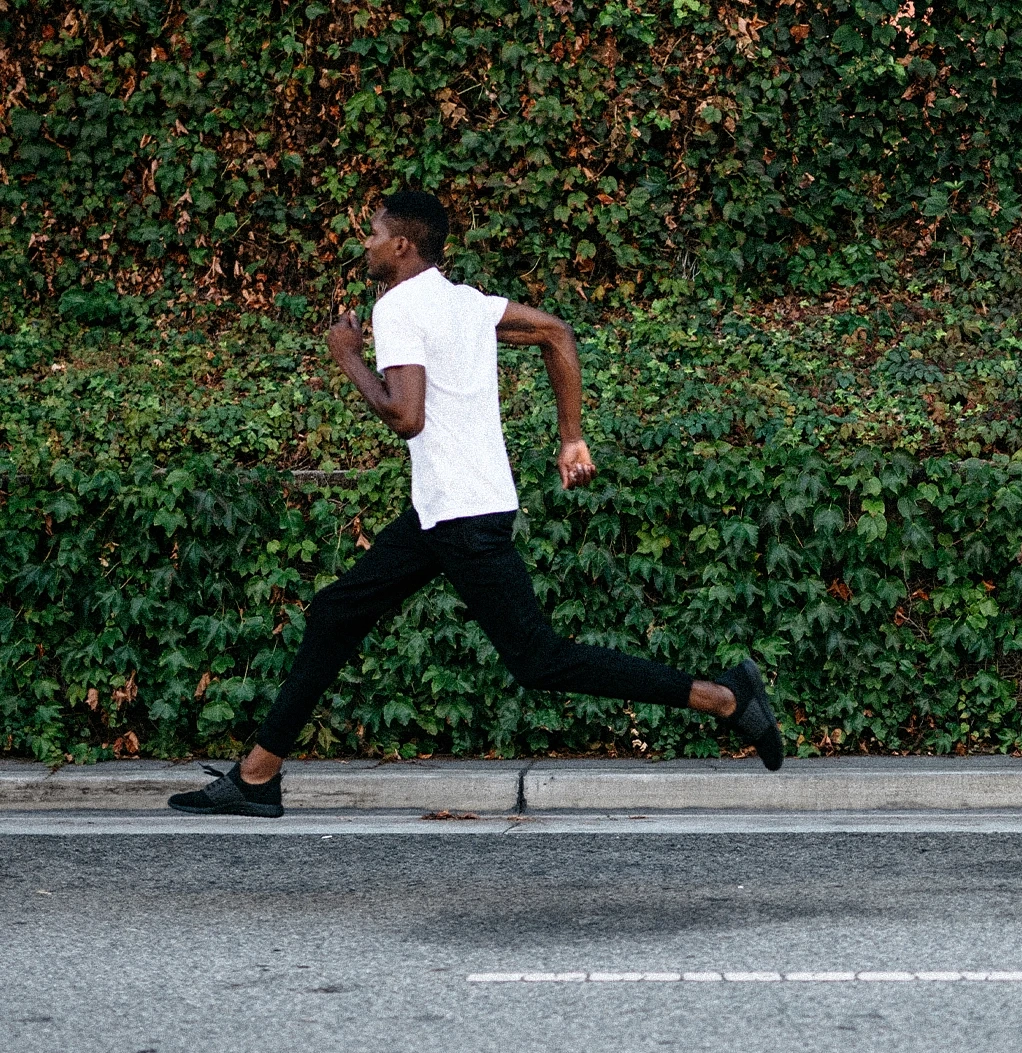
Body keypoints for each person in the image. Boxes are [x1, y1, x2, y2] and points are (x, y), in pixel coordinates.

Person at [169, 191, 782, 817]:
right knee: (335, 614)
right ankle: (257, 774)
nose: (367, 243)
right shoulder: (462, 302)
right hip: (445, 510)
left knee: (539, 659)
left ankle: (723, 698)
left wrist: (349, 358)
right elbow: (554, 331)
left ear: (403, 244)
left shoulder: (400, 307)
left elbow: (406, 417)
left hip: (460, 517)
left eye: (374, 233)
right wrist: (571, 435)